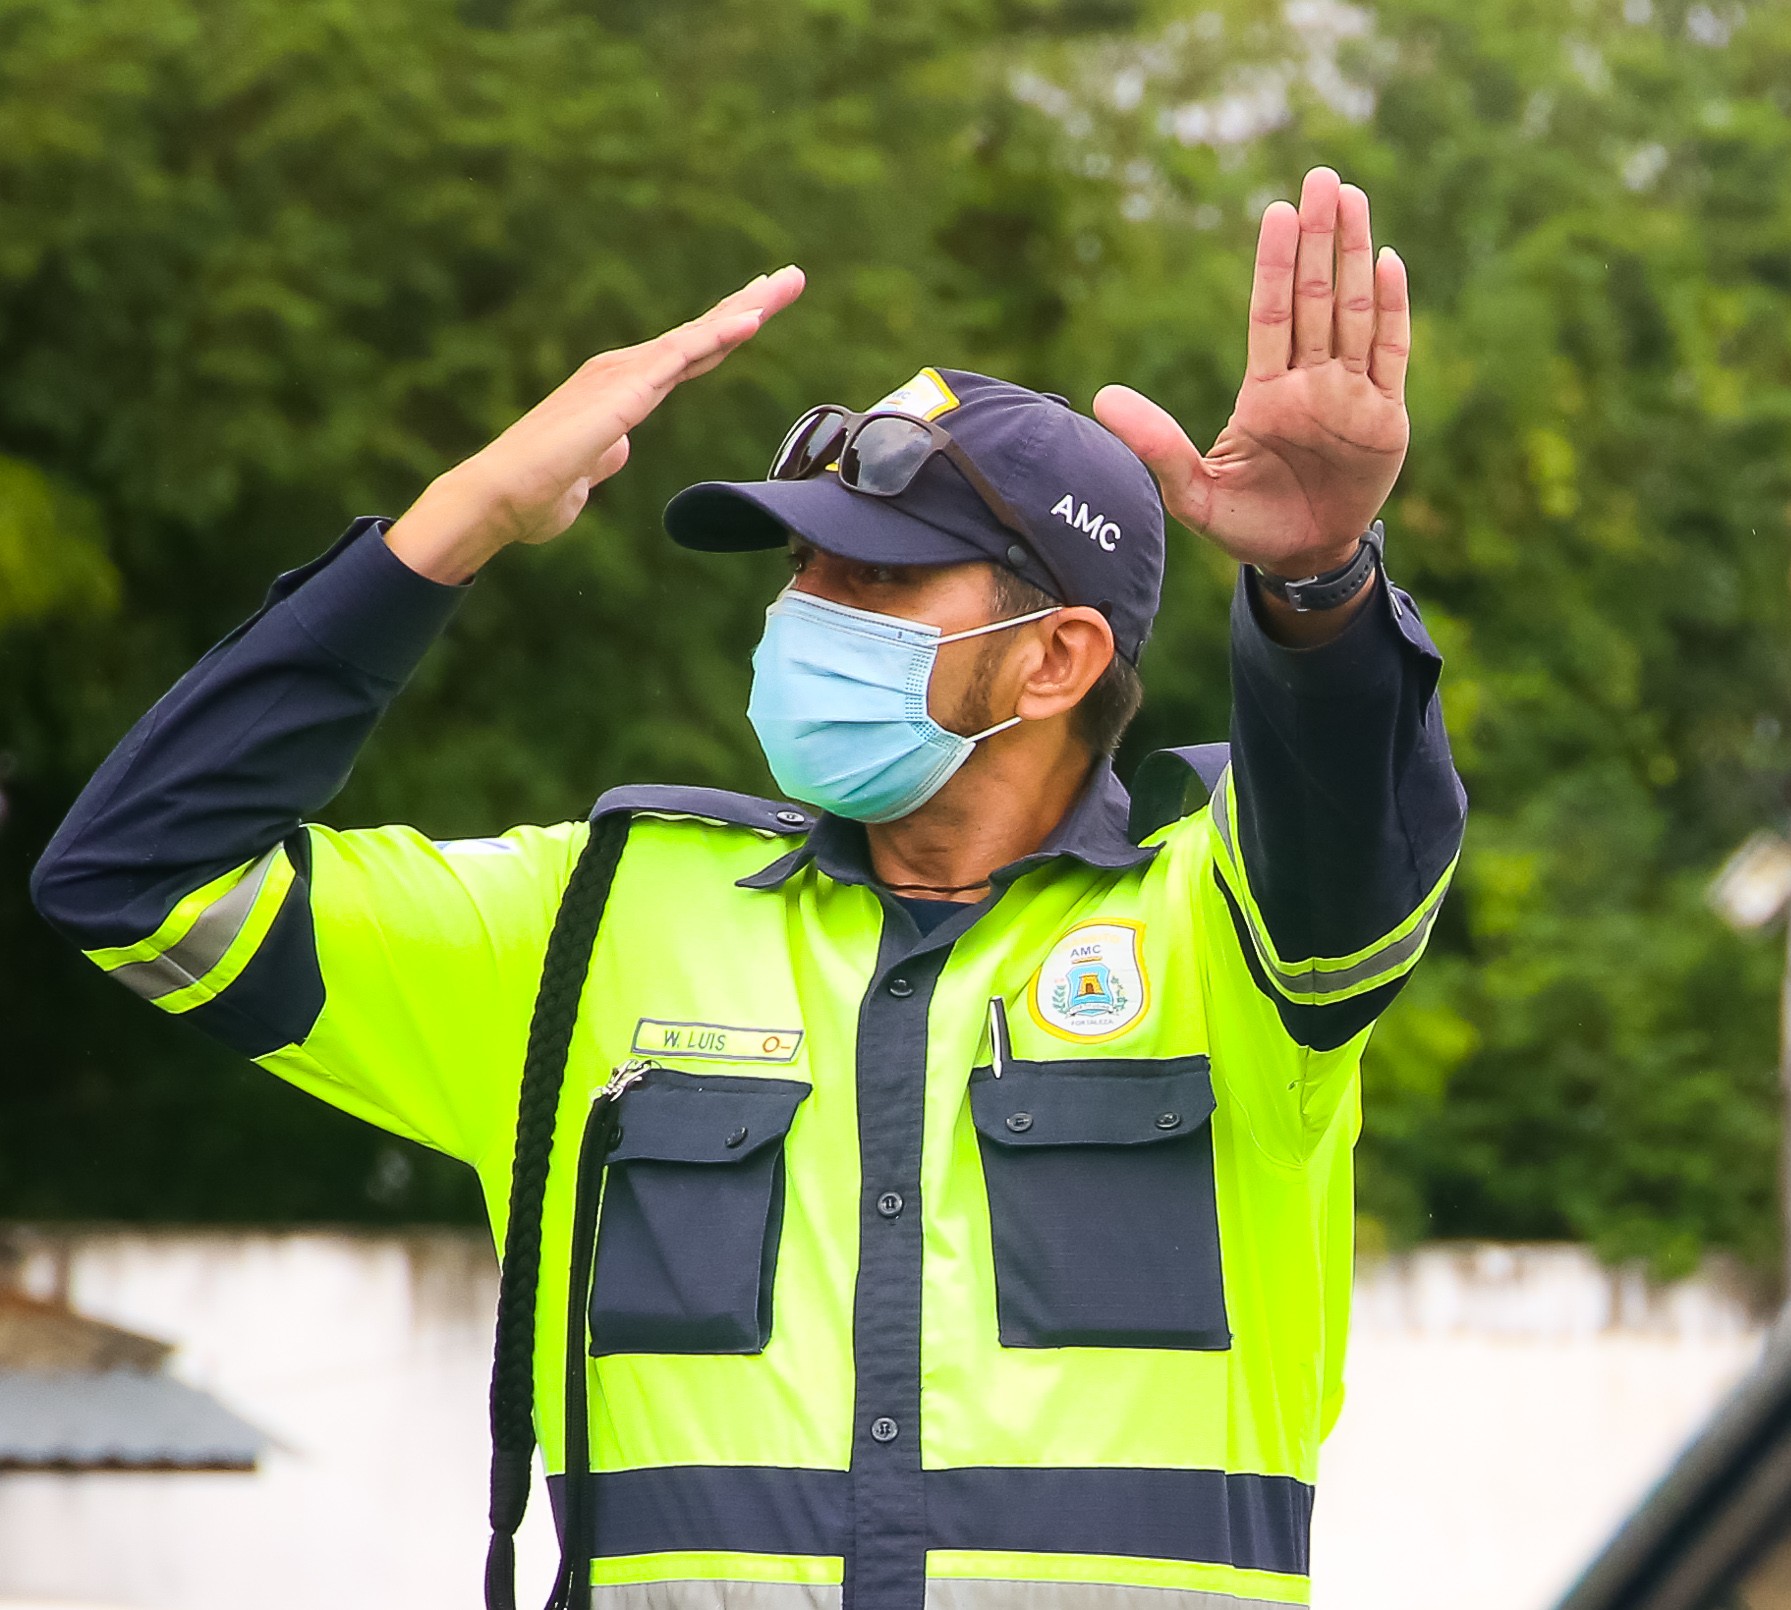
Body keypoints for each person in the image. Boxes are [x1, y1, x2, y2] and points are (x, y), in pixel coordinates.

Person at [30, 165, 1463, 1610]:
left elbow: (1349, 828)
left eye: (880, 584)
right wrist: (448, 525)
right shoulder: (589, 926)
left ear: (1057, 657)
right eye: (806, 570)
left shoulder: (1229, 926)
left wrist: (1322, 587)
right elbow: (135, 874)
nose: (806, 617)